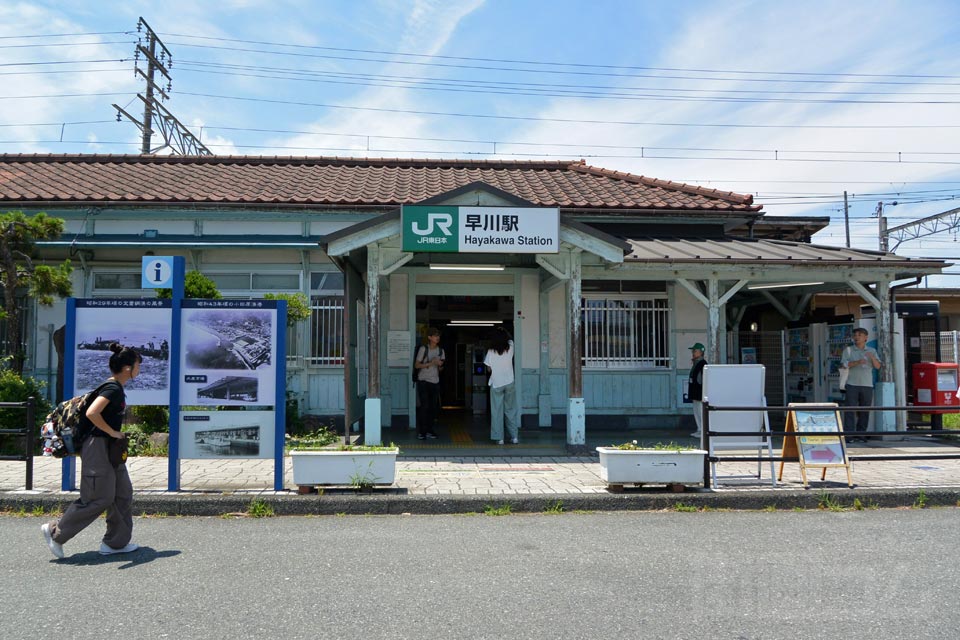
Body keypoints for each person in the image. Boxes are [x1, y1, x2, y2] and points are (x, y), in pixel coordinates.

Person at [41, 343, 142, 559]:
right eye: (137, 365)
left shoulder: (115, 387)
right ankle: (55, 532)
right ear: (127, 368)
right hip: (98, 447)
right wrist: (113, 433)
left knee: (122, 493)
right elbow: (93, 413)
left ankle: (115, 543)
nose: (138, 369)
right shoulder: (112, 388)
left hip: (109, 449)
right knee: (99, 497)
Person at [840, 327, 882, 443]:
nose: (857, 337)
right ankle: (849, 436)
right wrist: (858, 362)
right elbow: (844, 365)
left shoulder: (872, 350)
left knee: (864, 411)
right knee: (850, 411)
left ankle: (861, 434)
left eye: (859, 335)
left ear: (866, 338)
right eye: (855, 335)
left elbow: (878, 366)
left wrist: (872, 357)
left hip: (867, 385)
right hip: (851, 384)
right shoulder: (848, 350)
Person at [484, 327, 520, 445]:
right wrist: (504, 331)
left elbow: (488, 368)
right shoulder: (511, 347)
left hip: (496, 383)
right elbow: (509, 339)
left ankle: (499, 438)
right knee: (510, 410)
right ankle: (514, 437)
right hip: (509, 382)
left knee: (497, 411)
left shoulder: (490, 351)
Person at [414, 327, 444, 440]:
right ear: (429, 337)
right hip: (423, 381)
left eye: (438, 336)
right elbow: (417, 365)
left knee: (433, 407)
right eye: (435, 335)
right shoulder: (423, 349)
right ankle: (422, 431)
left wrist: (440, 365)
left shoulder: (441, 351)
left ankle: (430, 430)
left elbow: (441, 369)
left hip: (435, 381)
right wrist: (431, 363)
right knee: (424, 406)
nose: (437, 338)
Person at [688, 343, 707, 439]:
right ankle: (699, 429)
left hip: (700, 393)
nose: (693, 353)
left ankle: (702, 430)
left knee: (700, 412)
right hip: (695, 392)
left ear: (701, 352)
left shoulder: (703, 364)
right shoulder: (696, 363)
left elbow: (704, 379)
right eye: (693, 351)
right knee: (696, 412)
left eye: (695, 351)